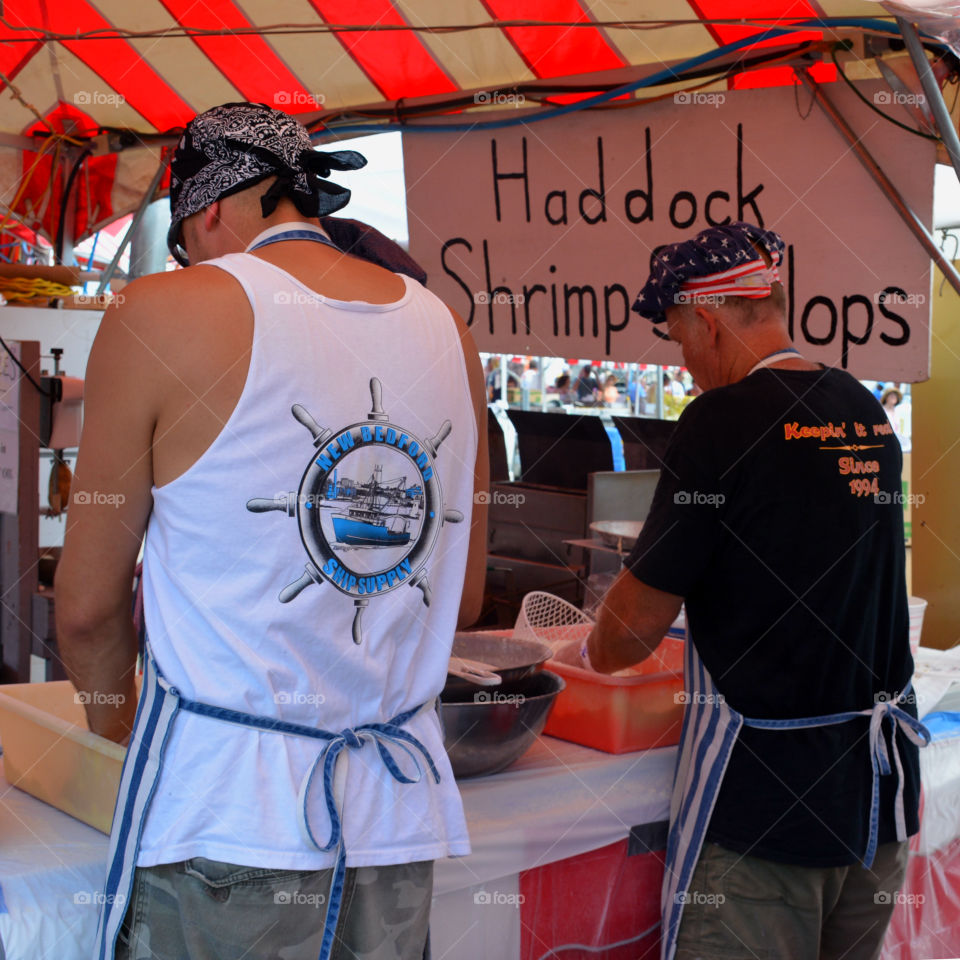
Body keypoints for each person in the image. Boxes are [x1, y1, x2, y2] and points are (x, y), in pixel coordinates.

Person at [55, 101, 489, 960]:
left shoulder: (160, 312)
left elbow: (85, 609)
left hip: (226, 818)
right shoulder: (449, 330)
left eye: (183, 240)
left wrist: (124, 736)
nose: (188, 260)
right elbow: (462, 595)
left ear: (209, 207)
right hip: (395, 822)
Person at [558, 221, 927, 960]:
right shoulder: (862, 409)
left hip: (767, 814)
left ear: (709, 317)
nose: (686, 361)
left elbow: (628, 636)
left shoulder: (720, 424)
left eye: (678, 336)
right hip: (878, 809)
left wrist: (591, 643)